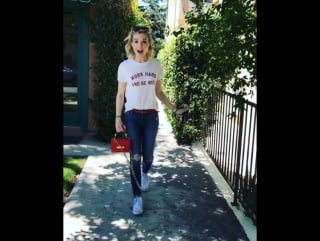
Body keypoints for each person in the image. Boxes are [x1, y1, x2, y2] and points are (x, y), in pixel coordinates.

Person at [115, 25, 189, 215]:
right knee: (135, 157)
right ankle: (137, 197)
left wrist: (173, 108)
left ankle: (145, 172)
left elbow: (158, 92)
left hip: (150, 117)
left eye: (144, 41)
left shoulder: (156, 64)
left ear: (149, 44)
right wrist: (118, 118)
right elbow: (120, 94)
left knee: (147, 156)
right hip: (132, 116)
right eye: (136, 41)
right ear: (131, 43)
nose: (140, 45)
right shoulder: (125, 66)